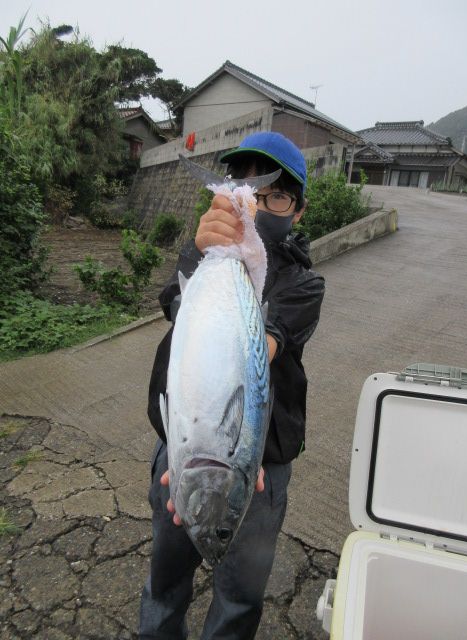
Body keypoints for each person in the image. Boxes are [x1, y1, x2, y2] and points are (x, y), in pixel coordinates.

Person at [139, 131, 325, 639]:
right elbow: (174, 301)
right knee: (164, 579)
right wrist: (205, 250)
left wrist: (247, 259)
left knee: (241, 596)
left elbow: (265, 343)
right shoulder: (204, 252)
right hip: (182, 444)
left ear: (298, 212)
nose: (257, 205)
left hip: (261, 461)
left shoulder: (304, 283)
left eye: (276, 196)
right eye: (246, 190)